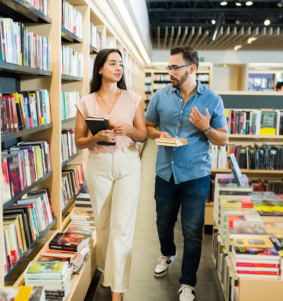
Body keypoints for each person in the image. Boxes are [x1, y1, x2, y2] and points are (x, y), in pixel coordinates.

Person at [145, 46, 229, 301]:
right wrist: (159, 134)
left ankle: (187, 283)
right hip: (165, 172)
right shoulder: (160, 96)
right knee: (163, 222)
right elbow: (149, 126)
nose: (169, 71)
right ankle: (167, 253)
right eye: (168, 67)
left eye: (174, 67)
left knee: (192, 230)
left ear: (191, 69)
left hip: (195, 174)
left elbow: (223, 139)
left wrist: (206, 128)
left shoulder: (212, 99)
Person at [74, 49, 147, 301]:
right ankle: (109, 271)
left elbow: (143, 135)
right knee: (103, 226)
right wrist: (96, 137)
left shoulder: (133, 99)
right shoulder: (86, 102)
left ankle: (117, 291)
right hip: (98, 165)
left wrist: (129, 129)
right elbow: (79, 142)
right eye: (112, 63)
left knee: (121, 228)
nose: (118, 68)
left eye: (121, 64)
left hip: (128, 163)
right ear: (100, 69)